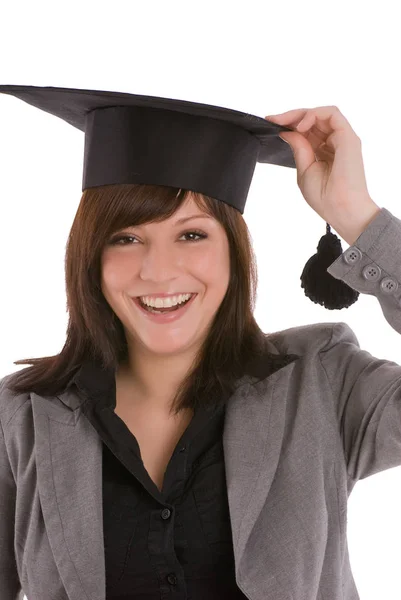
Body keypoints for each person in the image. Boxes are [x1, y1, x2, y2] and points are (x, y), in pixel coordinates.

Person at [1, 87, 400, 600]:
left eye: (192, 235)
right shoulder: (24, 418)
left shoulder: (321, 382)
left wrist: (357, 217)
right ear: (91, 258)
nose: (158, 271)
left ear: (233, 250)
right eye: (125, 238)